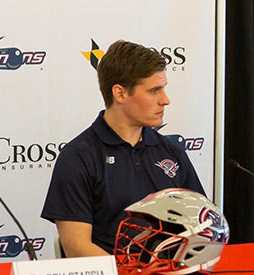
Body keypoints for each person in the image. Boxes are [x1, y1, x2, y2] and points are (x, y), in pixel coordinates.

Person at [41, 40, 205, 257]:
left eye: (163, 89)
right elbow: (76, 248)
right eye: (154, 90)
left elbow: (202, 226)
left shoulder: (171, 151)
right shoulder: (78, 157)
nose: (166, 100)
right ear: (120, 94)